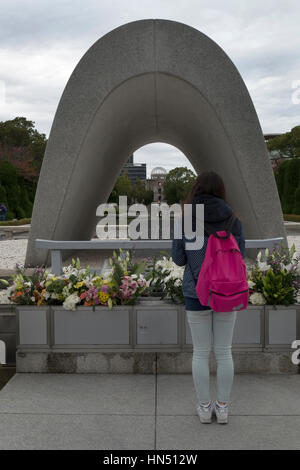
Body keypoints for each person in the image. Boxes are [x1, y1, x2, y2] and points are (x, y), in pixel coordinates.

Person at [172, 171, 245, 424]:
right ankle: (222, 408)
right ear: (221, 190)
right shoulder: (233, 220)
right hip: (227, 291)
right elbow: (240, 255)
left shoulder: (186, 220)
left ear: (196, 189)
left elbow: (178, 259)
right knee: (224, 352)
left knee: (200, 353)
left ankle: (204, 408)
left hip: (196, 292)